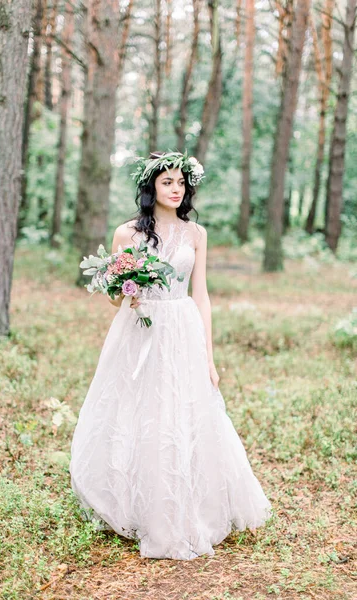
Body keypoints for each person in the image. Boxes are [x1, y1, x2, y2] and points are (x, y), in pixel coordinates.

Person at [69, 151, 272, 560]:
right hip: (141, 328)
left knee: (185, 412)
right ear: (151, 188)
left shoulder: (196, 234)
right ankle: (136, 503)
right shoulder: (126, 234)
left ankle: (192, 504)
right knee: (139, 412)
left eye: (181, 183)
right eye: (167, 183)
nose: (176, 190)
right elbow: (115, 301)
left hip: (182, 328)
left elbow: (202, 294)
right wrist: (126, 286)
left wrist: (210, 358)